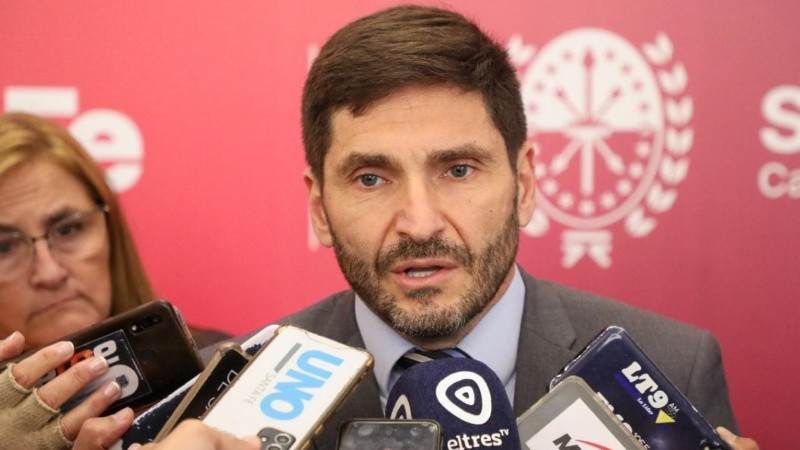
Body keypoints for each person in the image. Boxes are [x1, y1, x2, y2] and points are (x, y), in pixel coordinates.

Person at [274, 4, 758, 449]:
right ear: (320, 209)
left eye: (458, 170)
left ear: (523, 185)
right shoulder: (245, 392)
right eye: (371, 178)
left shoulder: (675, 366)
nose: (420, 225)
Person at [0, 112, 230, 449]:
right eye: (4, 247)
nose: (49, 273)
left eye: (69, 229)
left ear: (111, 231)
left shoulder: (221, 363)